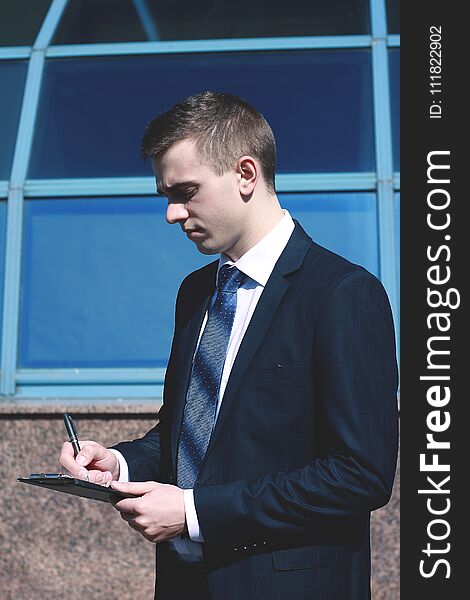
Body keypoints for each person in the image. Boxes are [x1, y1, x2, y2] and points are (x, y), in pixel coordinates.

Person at [60, 91, 399, 600]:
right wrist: (120, 462)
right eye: (166, 195)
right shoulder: (196, 292)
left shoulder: (342, 293)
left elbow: (360, 475)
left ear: (246, 174)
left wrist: (194, 512)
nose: (173, 213)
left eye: (187, 191)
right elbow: (192, 430)